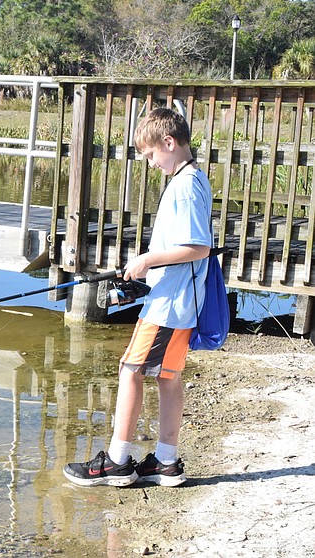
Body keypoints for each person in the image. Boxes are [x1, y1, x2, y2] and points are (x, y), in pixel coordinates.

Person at [63, 107, 213, 488]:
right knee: (167, 376)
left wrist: (147, 260)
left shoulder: (185, 185)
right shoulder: (192, 179)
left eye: (150, 155)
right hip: (180, 303)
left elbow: (198, 247)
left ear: (169, 142)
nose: (149, 163)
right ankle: (165, 461)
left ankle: (116, 462)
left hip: (168, 306)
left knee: (130, 371)